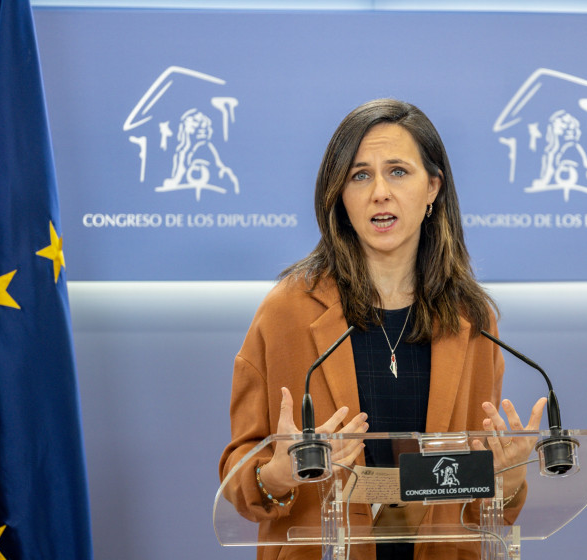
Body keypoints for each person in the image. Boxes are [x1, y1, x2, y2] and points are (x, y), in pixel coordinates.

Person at [219, 98, 547, 559]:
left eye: (397, 171)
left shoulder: (471, 320)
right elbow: (240, 475)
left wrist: (508, 477)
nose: (379, 192)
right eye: (360, 175)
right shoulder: (287, 312)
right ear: (339, 194)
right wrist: (277, 473)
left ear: (432, 187)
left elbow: (478, 503)